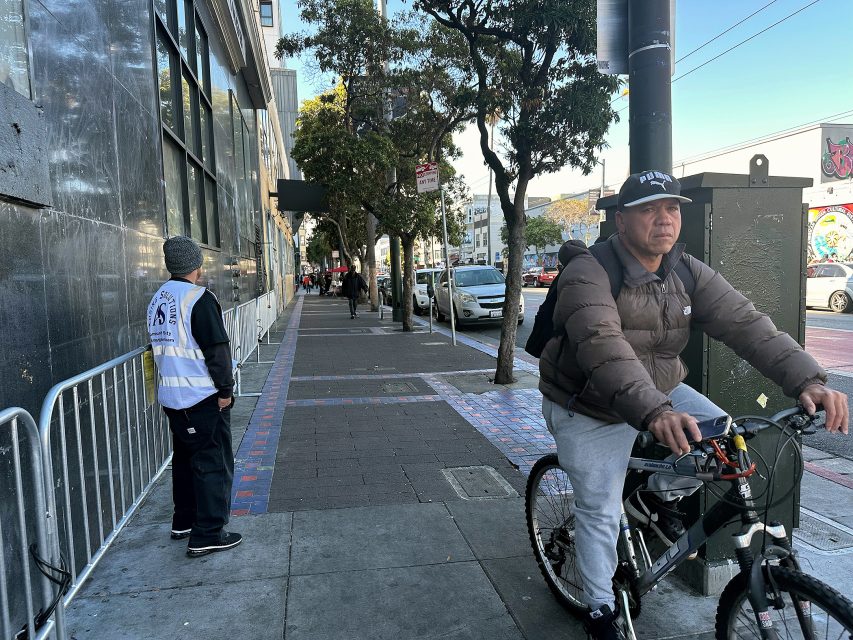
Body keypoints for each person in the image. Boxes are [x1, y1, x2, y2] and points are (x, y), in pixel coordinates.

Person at [538, 170, 849, 640]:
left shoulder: (683, 270)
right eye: (648, 209)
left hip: (658, 389)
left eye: (672, 208)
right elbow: (601, 344)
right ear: (621, 221)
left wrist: (807, 378)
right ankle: (600, 609)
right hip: (589, 403)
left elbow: (746, 322)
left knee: (722, 436)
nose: (663, 219)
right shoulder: (589, 272)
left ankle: (654, 497)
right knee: (599, 509)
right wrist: (656, 412)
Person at [146, 236, 242, 558]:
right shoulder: (198, 299)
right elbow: (217, 350)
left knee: (185, 461)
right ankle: (209, 533)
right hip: (200, 396)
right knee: (213, 463)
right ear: (196, 266)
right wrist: (226, 391)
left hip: (172, 398)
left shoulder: (158, 299)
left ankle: (184, 520)